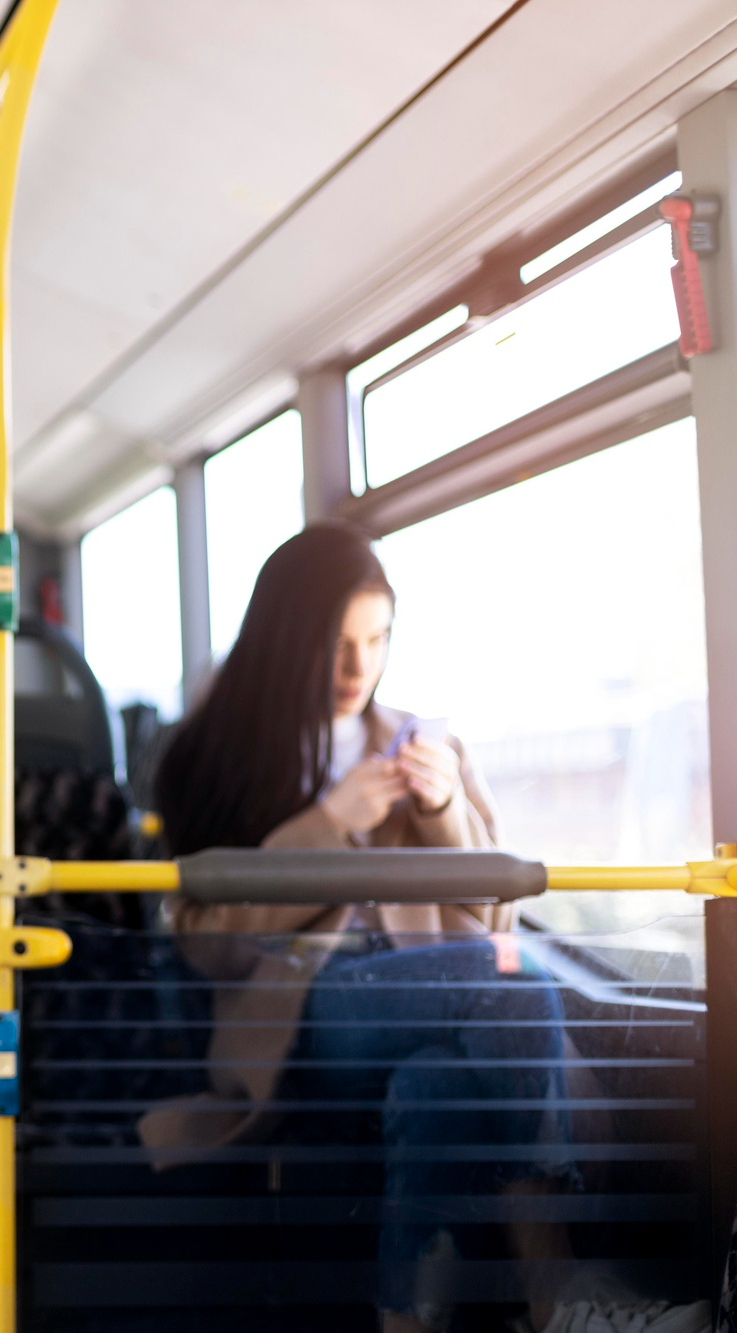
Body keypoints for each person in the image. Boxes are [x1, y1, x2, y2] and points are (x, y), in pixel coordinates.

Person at [142, 523, 571, 1333]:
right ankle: (564, 1298)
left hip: (424, 999)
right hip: (303, 1013)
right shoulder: (207, 756)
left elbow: (497, 911)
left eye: (377, 640)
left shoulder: (421, 742)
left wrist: (444, 813)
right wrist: (328, 823)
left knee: (433, 1087)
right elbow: (206, 943)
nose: (358, 669)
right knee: (516, 987)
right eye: (336, 644)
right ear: (283, 642)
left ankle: (402, 1316)